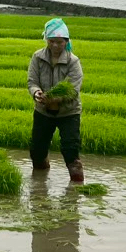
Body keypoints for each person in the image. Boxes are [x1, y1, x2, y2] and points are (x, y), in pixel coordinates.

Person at [27, 18, 85, 183]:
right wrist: (37, 93)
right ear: (46, 40)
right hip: (43, 111)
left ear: (66, 41)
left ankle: (77, 189)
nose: (55, 45)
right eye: (51, 41)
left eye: (59, 42)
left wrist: (54, 98)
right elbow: (32, 81)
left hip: (68, 112)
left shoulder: (73, 61)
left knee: (70, 150)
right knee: (37, 150)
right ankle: (39, 184)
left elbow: (73, 90)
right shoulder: (38, 57)